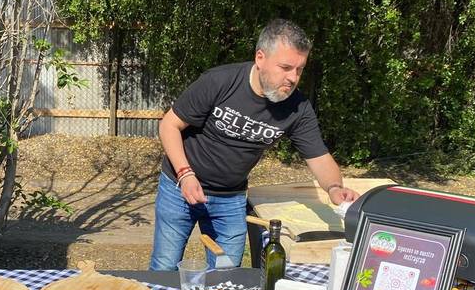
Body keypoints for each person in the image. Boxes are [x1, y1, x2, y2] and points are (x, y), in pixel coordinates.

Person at [149, 18, 360, 271]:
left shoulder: (298, 108)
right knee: (165, 267)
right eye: (285, 67)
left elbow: (319, 156)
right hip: (178, 188)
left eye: (299, 69)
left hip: (230, 198)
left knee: (227, 277)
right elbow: (169, 125)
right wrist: (185, 174)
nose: (293, 78)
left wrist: (335, 188)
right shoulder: (220, 82)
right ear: (260, 58)